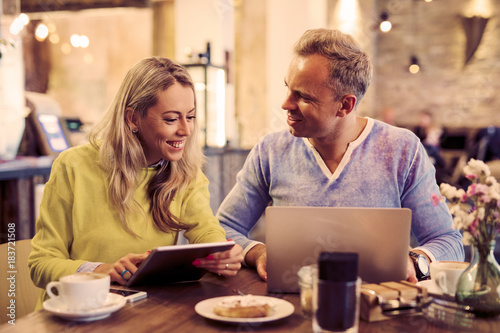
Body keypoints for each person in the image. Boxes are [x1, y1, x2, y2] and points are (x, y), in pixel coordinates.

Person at [216, 28, 464, 283]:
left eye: (302, 96)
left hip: (376, 310)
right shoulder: (270, 151)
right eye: (288, 88)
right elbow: (222, 228)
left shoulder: (402, 149)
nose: (285, 104)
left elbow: (448, 241)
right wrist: (257, 252)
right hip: (290, 309)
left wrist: (416, 261)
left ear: (345, 105)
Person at [29, 57, 243, 308]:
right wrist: (102, 271)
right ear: (132, 119)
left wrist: (220, 252)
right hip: (76, 313)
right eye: (172, 119)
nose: (186, 130)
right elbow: (40, 264)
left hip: (141, 310)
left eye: (191, 116)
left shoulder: (186, 171)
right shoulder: (73, 166)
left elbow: (205, 228)